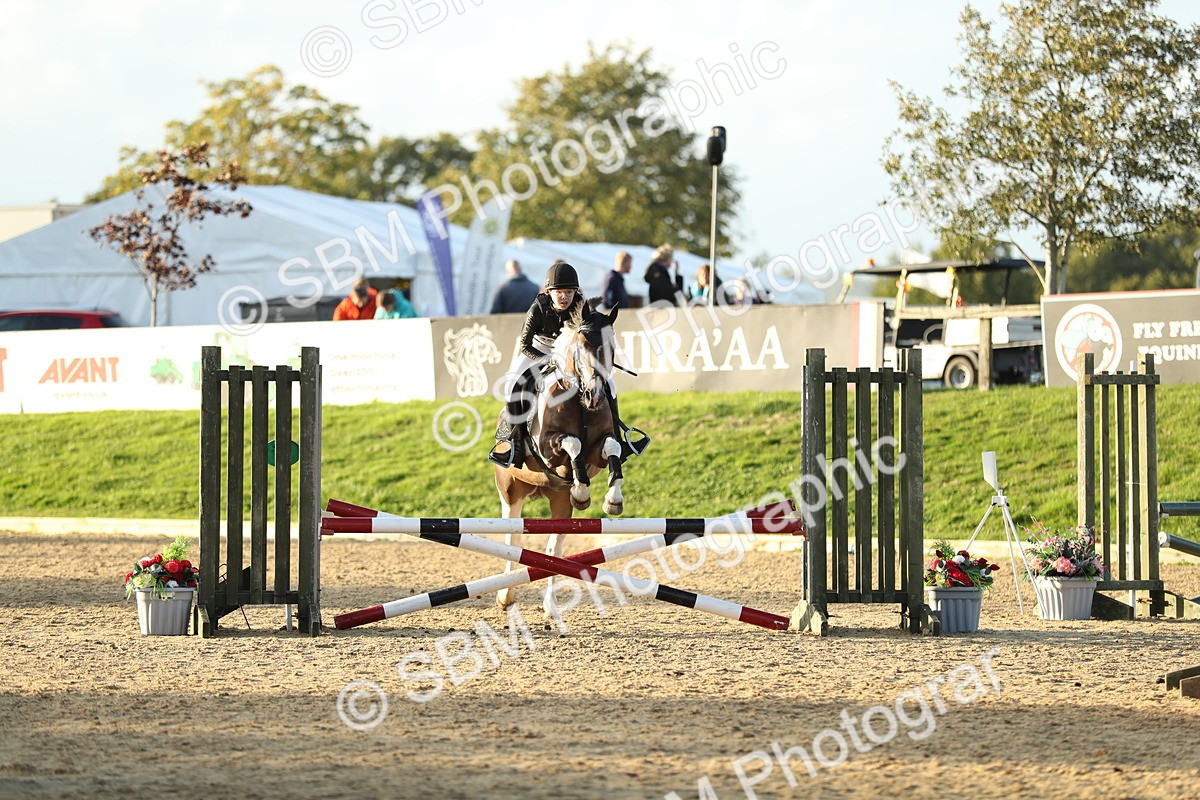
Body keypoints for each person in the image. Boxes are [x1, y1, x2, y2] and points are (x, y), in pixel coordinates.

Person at [488, 261, 649, 468]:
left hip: (569, 351)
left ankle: (619, 438)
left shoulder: (581, 306)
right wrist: (548, 359)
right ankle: (515, 445)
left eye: (569, 292)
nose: (564, 297)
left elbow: (594, 328)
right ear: (549, 292)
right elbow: (525, 345)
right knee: (513, 385)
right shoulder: (538, 308)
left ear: (576, 292)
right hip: (539, 349)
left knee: (609, 383)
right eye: (559, 292)